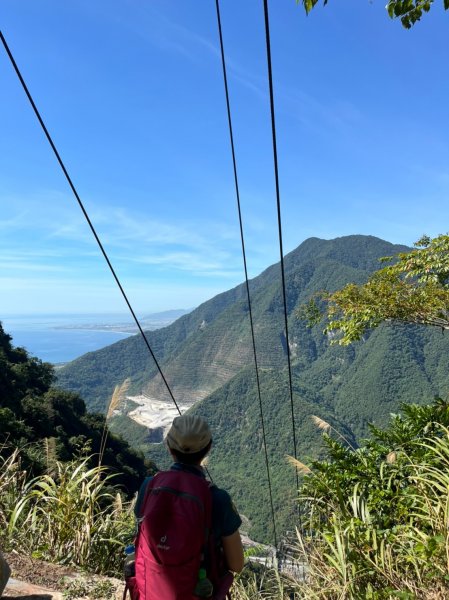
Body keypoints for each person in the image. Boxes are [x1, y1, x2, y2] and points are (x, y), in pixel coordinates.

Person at [133, 414, 244, 599]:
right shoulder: (218, 499)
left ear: (169, 448)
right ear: (208, 448)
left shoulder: (148, 486)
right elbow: (237, 565)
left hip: (150, 590)